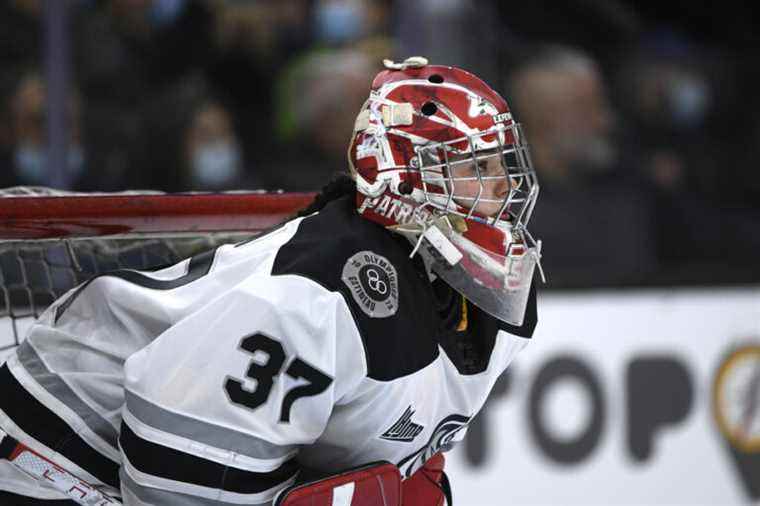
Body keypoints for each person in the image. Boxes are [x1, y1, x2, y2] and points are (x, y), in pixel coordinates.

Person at [0, 57, 541, 505]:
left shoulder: (485, 298)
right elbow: (169, 462)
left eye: (502, 167)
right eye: (476, 169)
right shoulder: (321, 289)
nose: (501, 191)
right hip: (49, 455)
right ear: (401, 174)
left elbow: (413, 451)